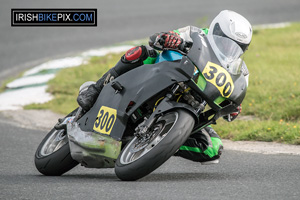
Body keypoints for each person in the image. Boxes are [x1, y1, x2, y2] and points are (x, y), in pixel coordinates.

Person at [77, 10, 252, 164]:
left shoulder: (240, 71)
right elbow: (156, 39)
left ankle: (161, 142)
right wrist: (169, 39)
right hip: (162, 75)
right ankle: (97, 88)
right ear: (216, 29)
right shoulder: (196, 33)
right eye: (226, 41)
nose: (230, 48)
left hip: (191, 104)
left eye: (237, 46)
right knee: (142, 52)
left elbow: (233, 102)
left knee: (213, 148)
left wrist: (233, 108)